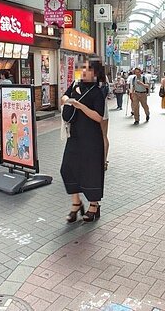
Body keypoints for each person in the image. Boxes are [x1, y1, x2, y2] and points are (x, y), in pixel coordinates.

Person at [61, 60, 106, 223]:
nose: (84, 71)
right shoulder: (75, 84)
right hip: (74, 135)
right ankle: (76, 202)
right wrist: (68, 100)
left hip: (91, 138)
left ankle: (94, 205)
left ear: (95, 73)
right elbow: (63, 96)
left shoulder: (98, 92)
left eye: (88, 69)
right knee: (68, 168)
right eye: (83, 68)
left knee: (91, 171)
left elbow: (98, 117)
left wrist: (80, 105)